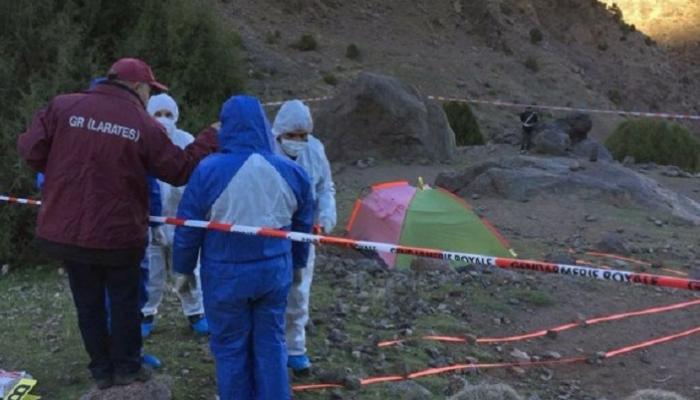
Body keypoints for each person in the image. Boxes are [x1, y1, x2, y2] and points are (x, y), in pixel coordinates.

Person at [17, 58, 218, 389]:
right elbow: (178, 169)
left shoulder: (64, 106)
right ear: (138, 87)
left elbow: (30, 150)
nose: (149, 98)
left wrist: (59, 172)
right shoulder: (142, 123)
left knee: (87, 302)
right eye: (149, 91)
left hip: (67, 230)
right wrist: (210, 137)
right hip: (118, 234)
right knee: (125, 301)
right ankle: (126, 368)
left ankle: (101, 371)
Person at [173, 95, 314, 400]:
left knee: (230, 347)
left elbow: (188, 226)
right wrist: (299, 263)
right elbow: (304, 225)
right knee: (272, 342)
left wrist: (183, 268)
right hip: (275, 271)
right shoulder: (292, 171)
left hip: (225, 275)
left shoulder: (208, 170)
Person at [271, 100, 336, 375]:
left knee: (298, 289)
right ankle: (270, 348)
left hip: (304, 232)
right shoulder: (266, 149)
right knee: (271, 290)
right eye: (291, 135)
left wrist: (325, 217)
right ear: (279, 132)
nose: (297, 141)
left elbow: (325, 187)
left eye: (302, 135)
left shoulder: (316, 149)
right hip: (271, 230)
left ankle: (296, 348)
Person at [141, 94, 209, 337]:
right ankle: (146, 313)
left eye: (168, 115)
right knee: (152, 270)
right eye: (157, 114)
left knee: (187, 269)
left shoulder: (185, 141)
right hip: (151, 223)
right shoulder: (141, 140)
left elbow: (196, 180)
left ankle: (196, 312)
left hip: (182, 220)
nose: (163, 120)